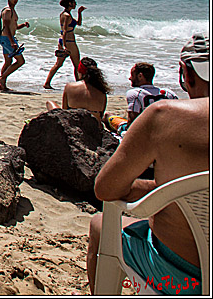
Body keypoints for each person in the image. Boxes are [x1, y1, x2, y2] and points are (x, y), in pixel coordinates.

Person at [85, 34, 209, 295]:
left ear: (185, 74)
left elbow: (105, 189)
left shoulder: (165, 117)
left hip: (182, 279)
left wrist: (153, 189)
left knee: (99, 223)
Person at [106, 62, 180, 134]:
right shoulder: (169, 93)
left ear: (140, 76)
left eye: (132, 75)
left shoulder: (135, 93)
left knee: (108, 116)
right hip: (166, 131)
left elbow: (132, 122)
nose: (130, 78)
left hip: (145, 133)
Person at [45, 57, 109, 123]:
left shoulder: (70, 86)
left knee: (50, 103)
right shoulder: (102, 91)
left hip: (74, 124)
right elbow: (101, 114)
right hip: (94, 127)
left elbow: (64, 111)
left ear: (79, 71)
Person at [43, 0, 86, 89]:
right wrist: (65, 46)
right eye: (74, 2)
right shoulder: (66, 15)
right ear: (70, 3)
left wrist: (79, 12)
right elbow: (65, 30)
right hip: (69, 42)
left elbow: (78, 23)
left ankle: (47, 83)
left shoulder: (66, 14)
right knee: (76, 64)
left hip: (64, 41)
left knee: (59, 64)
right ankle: (79, 84)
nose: (75, 3)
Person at [0, 0, 29, 92]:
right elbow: (6, 27)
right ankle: (2, 78)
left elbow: (14, 27)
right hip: (7, 39)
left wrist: (23, 25)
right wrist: (12, 42)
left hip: (7, 38)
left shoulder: (12, 11)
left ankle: (2, 85)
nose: (16, 0)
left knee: (8, 61)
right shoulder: (7, 11)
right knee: (20, 61)